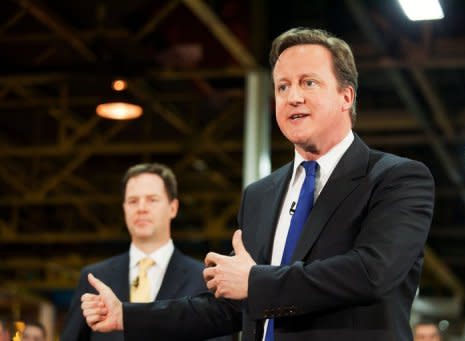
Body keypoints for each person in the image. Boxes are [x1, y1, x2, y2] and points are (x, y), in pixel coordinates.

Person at [80, 27, 435, 341]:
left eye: (308, 82)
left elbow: (371, 272)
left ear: (347, 96)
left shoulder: (397, 179)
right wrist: (127, 315)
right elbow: (230, 306)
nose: (292, 96)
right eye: (283, 86)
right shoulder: (260, 195)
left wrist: (255, 282)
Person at [62, 163, 231, 341]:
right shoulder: (95, 278)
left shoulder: (204, 279)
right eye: (133, 201)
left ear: (173, 208)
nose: (141, 208)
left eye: (152, 199)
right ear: (124, 208)